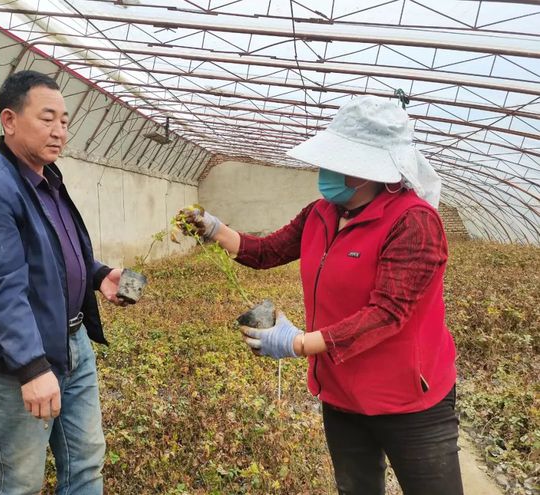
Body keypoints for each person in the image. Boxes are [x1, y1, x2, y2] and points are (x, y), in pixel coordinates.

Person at [178, 95, 463, 494]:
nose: (324, 170)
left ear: (367, 171)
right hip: (342, 393)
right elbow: (267, 251)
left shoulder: (413, 222)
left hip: (409, 401)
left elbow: (387, 313)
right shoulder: (321, 213)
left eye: (336, 161)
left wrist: (298, 343)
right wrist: (215, 229)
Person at [0, 70, 124, 494]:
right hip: (21, 361)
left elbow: (57, 248)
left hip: (73, 344)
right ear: (9, 120)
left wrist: (99, 274)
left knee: (86, 462)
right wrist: (32, 366)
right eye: (48, 118)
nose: (60, 131)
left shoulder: (47, 179)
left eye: (65, 121)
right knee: (19, 480)